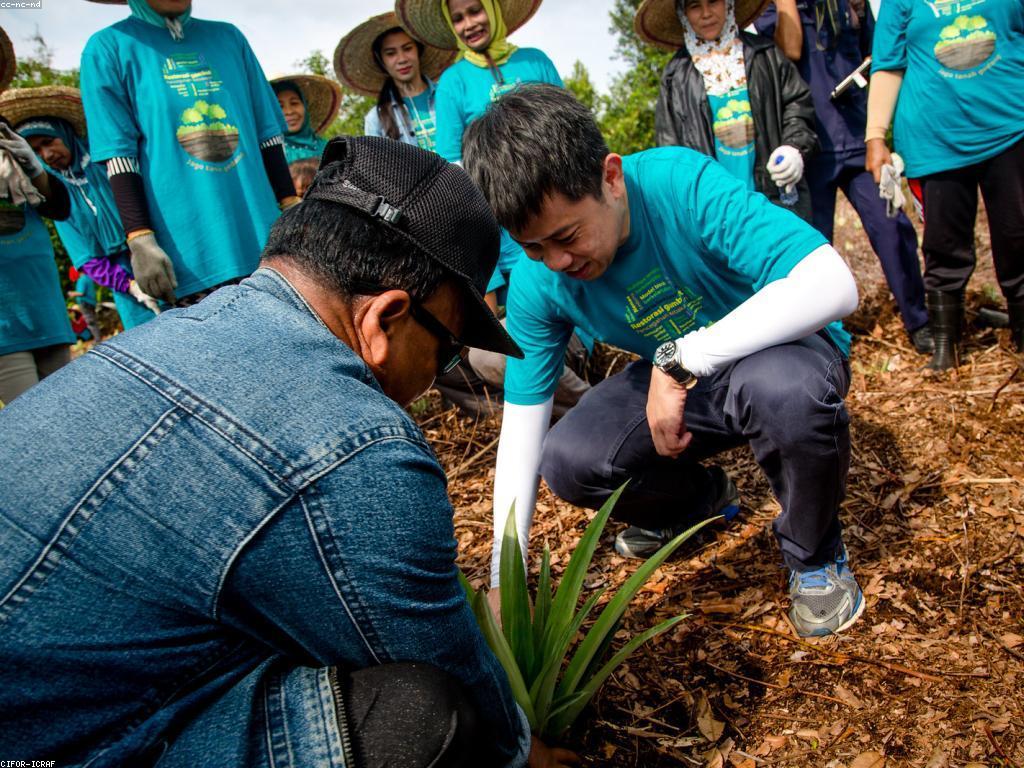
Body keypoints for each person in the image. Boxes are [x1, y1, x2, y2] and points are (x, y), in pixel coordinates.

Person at [0, 135, 577, 768]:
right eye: (446, 352)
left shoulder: (174, 332)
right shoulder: (358, 446)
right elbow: (451, 671)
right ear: (385, 319)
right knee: (423, 718)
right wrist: (527, 751)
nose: (434, 379)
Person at [464, 84, 864, 638]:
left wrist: (682, 358)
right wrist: (505, 575)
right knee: (570, 459)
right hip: (679, 382)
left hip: (777, 350)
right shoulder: (541, 279)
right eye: (533, 247)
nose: (556, 261)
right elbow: (522, 427)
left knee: (784, 393)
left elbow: (833, 284)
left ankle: (814, 553)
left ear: (610, 177)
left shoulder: (678, 184)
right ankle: (701, 502)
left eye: (567, 236)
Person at [399, 0, 592, 417]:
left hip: (556, 227)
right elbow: (453, 164)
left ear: (494, 9)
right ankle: (533, 410)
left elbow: (576, 133)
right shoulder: (454, 83)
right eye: (459, 18)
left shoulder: (535, 62)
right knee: (480, 346)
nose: (470, 24)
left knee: (554, 321)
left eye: (475, 11)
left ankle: (576, 401)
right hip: (499, 233)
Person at [80, 0, 300, 308]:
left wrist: (291, 206)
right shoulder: (108, 47)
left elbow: (267, 134)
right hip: (188, 257)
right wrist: (139, 237)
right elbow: (119, 155)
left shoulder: (229, 38)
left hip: (267, 243)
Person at [752, 0, 932, 354]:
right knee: (813, 249)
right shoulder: (770, 9)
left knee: (892, 228)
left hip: (856, 136)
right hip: (808, 145)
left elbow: (879, 55)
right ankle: (823, 341)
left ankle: (920, 320)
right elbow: (789, 49)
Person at [865, 0, 1024, 367]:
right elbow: (888, 64)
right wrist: (875, 137)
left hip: (1012, 126)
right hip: (935, 136)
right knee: (943, 245)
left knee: (1018, 235)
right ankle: (944, 345)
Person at [641, 0, 820, 223]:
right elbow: (670, 148)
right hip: (716, 215)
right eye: (695, 6)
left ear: (728, 5)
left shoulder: (765, 54)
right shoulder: (675, 76)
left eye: (714, 1)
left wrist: (794, 148)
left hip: (776, 203)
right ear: (683, 14)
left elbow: (797, 104)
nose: (706, 13)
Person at [0, 85, 162, 331]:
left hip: (161, 255)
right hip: (130, 290)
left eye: (48, 141)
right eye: (36, 151)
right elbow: (86, 260)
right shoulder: (54, 193)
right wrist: (132, 287)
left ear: (64, 133)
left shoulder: (107, 160)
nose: (47, 154)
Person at [0, 29, 77, 405]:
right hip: (4, 318)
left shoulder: (7, 136)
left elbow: (59, 207)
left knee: (69, 413)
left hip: (42, 301)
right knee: (34, 422)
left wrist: (33, 168)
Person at [335, 12, 452, 151]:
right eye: (391, 53)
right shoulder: (376, 119)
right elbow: (378, 168)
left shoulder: (449, 95)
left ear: (418, 50)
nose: (402, 59)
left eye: (407, 48)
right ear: (381, 60)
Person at [270, 74, 342, 163]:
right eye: (280, 106)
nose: (289, 111)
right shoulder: (271, 156)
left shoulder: (330, 149)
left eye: (294, 103)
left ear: (304, 105)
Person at [68, 267, 102, 342]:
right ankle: (98, 337)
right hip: (91, 302)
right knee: (93, 320)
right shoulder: (88, 278)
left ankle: (97, 340)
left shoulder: (81, 280)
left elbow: (81, 293)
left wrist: (72, 293)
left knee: (90, 321)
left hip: (85, 303)